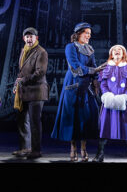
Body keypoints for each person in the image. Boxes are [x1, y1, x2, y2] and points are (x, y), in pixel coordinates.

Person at [52, 22, 101, 161]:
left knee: (85, 118)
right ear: (78, 33)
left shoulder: (90, 49)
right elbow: (75, 66)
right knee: (73, 117)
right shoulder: (71, 47)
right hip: (73, 85)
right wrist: (93, 71)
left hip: (87, 87)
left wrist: (96, 80)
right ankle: (73, 149)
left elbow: (94, 65)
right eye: (86, 33)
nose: (88, 36)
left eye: (90, 34)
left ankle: (83, 149)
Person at [95, 44, 127, 163]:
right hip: (109, 102)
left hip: (124, 103)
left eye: (119, 50)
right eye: (114, 50)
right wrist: (108, 96)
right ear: (111, 54)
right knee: (105, 127)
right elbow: (103, 85)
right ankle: (100, 154)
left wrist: (124, 98)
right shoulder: (106, 68)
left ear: (124, 54)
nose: (117, 51)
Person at [13, 27, 49, 160]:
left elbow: (40, 72)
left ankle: (36, 150)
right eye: (27, 36)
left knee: (34, 123)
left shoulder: (41, 52)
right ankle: (25, 148)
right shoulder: (24, 50)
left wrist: (23, 80)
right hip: (24, 90)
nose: (29, 39)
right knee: (22, 121)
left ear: (36, 38)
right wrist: (18, 84)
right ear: (24, 38)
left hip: (36, 91)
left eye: (31, 36)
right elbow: (22, 71)